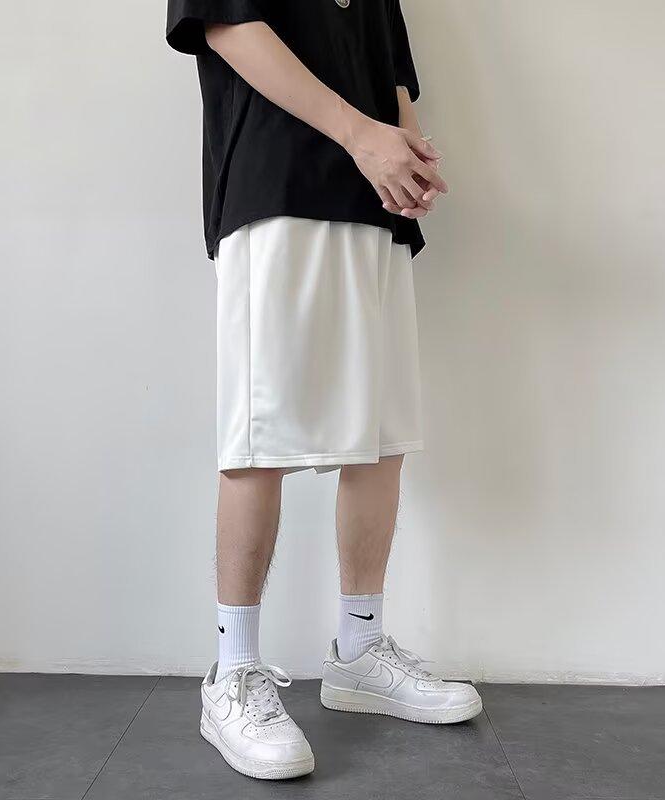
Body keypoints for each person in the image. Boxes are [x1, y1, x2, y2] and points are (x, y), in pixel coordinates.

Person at [166, 0, 482, 780]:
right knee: (259, 438)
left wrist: (408, 154)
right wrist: (361, 135)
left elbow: (390, 70)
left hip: (372, 202)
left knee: (382, 436)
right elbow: (226, 24)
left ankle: (360, 649)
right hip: (276, 183)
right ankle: (233, 671)